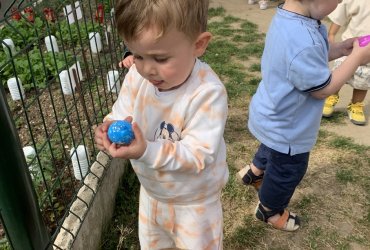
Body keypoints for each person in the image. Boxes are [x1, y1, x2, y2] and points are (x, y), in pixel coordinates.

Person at [95, 0, 229, 249]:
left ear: (198, 45)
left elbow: (198, 155)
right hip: (152, 193)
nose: (148, 69)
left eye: (160, 58)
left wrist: (146, 150)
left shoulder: (207, 93)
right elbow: (121, 113)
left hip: (194, 203)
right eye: (138, 55)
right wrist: (109, 129)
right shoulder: (137, 76)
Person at [237, 0, 370, 232]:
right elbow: (324, 89)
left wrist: (342, 49)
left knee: (272, 147)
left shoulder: (291, 20)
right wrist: (356, 59)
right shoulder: (303, 40)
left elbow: (311, 55)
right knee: (287, 170)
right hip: (289, 126)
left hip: (272, 113)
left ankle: (254, 171)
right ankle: (269, 209)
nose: (340, 1)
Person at [322, 0, 370, 125]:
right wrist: (331, 34)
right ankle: (330, 96)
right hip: (349, 47)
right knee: (340, 75)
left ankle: (356, 105)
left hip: (368, 53)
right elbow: (341, 13)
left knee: (363, 81)